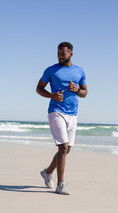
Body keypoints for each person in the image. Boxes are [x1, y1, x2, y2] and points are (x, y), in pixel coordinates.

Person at [36, 42, 88, 195]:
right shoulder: (51, 70)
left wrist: (77, 90)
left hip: (72, 114)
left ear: (71, 54)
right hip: (56, 111)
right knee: (63, 148)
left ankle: (47, 172)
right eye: (58, 53)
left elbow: (85, 92)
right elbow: (39, 88)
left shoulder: (79, 71)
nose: (60, 56)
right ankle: (60, 185)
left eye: (63, 54)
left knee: (66, 150)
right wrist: (52, 95)